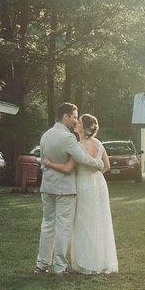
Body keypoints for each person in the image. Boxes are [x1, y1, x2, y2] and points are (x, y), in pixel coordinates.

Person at [43, 114, 119, 274]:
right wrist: (95, 173)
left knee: (83, 223)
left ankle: (87, 262)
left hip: (83, 185)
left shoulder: (77, 145)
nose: (76, 123)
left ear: (83, 127)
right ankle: (101, 260)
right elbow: (107, 167)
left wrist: (50, 164)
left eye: (79, 122)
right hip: (98, 184)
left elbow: (67, 168)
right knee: (99, 221)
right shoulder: (99, 144)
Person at [35, 103, 104, 275]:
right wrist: (99, 163)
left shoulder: (45, 135)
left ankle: (41, 264)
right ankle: (59, 267)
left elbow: (43, 163)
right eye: (74, 117)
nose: (75, 121)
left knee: (47, 225)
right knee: (63, 227)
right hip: (64, 189)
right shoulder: (68, 138)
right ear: (65, 117)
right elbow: (83, 159)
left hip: (47, 186)